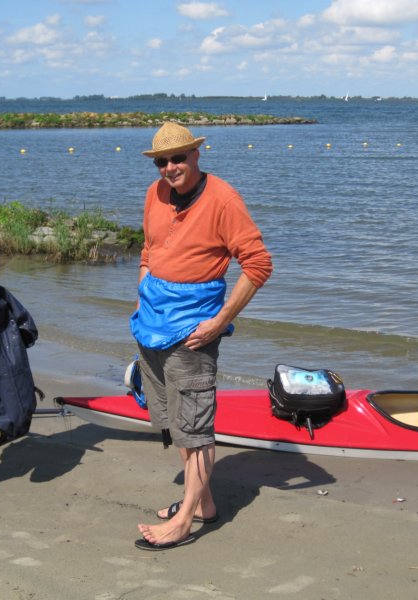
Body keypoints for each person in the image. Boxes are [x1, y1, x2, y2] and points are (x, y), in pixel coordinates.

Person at [131, 122, 273, 550]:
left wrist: (219, 320)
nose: (170, 167)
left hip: (193, 330)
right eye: (162, 161)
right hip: (152, 326)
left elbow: (258, 265)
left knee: (196, 429)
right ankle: (204, 503)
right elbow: (149, 250)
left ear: (196, 155)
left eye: (178, 158)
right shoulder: (155, 194)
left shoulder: (223, 199)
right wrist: (141, 297)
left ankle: (185, 521)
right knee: (177, 423)